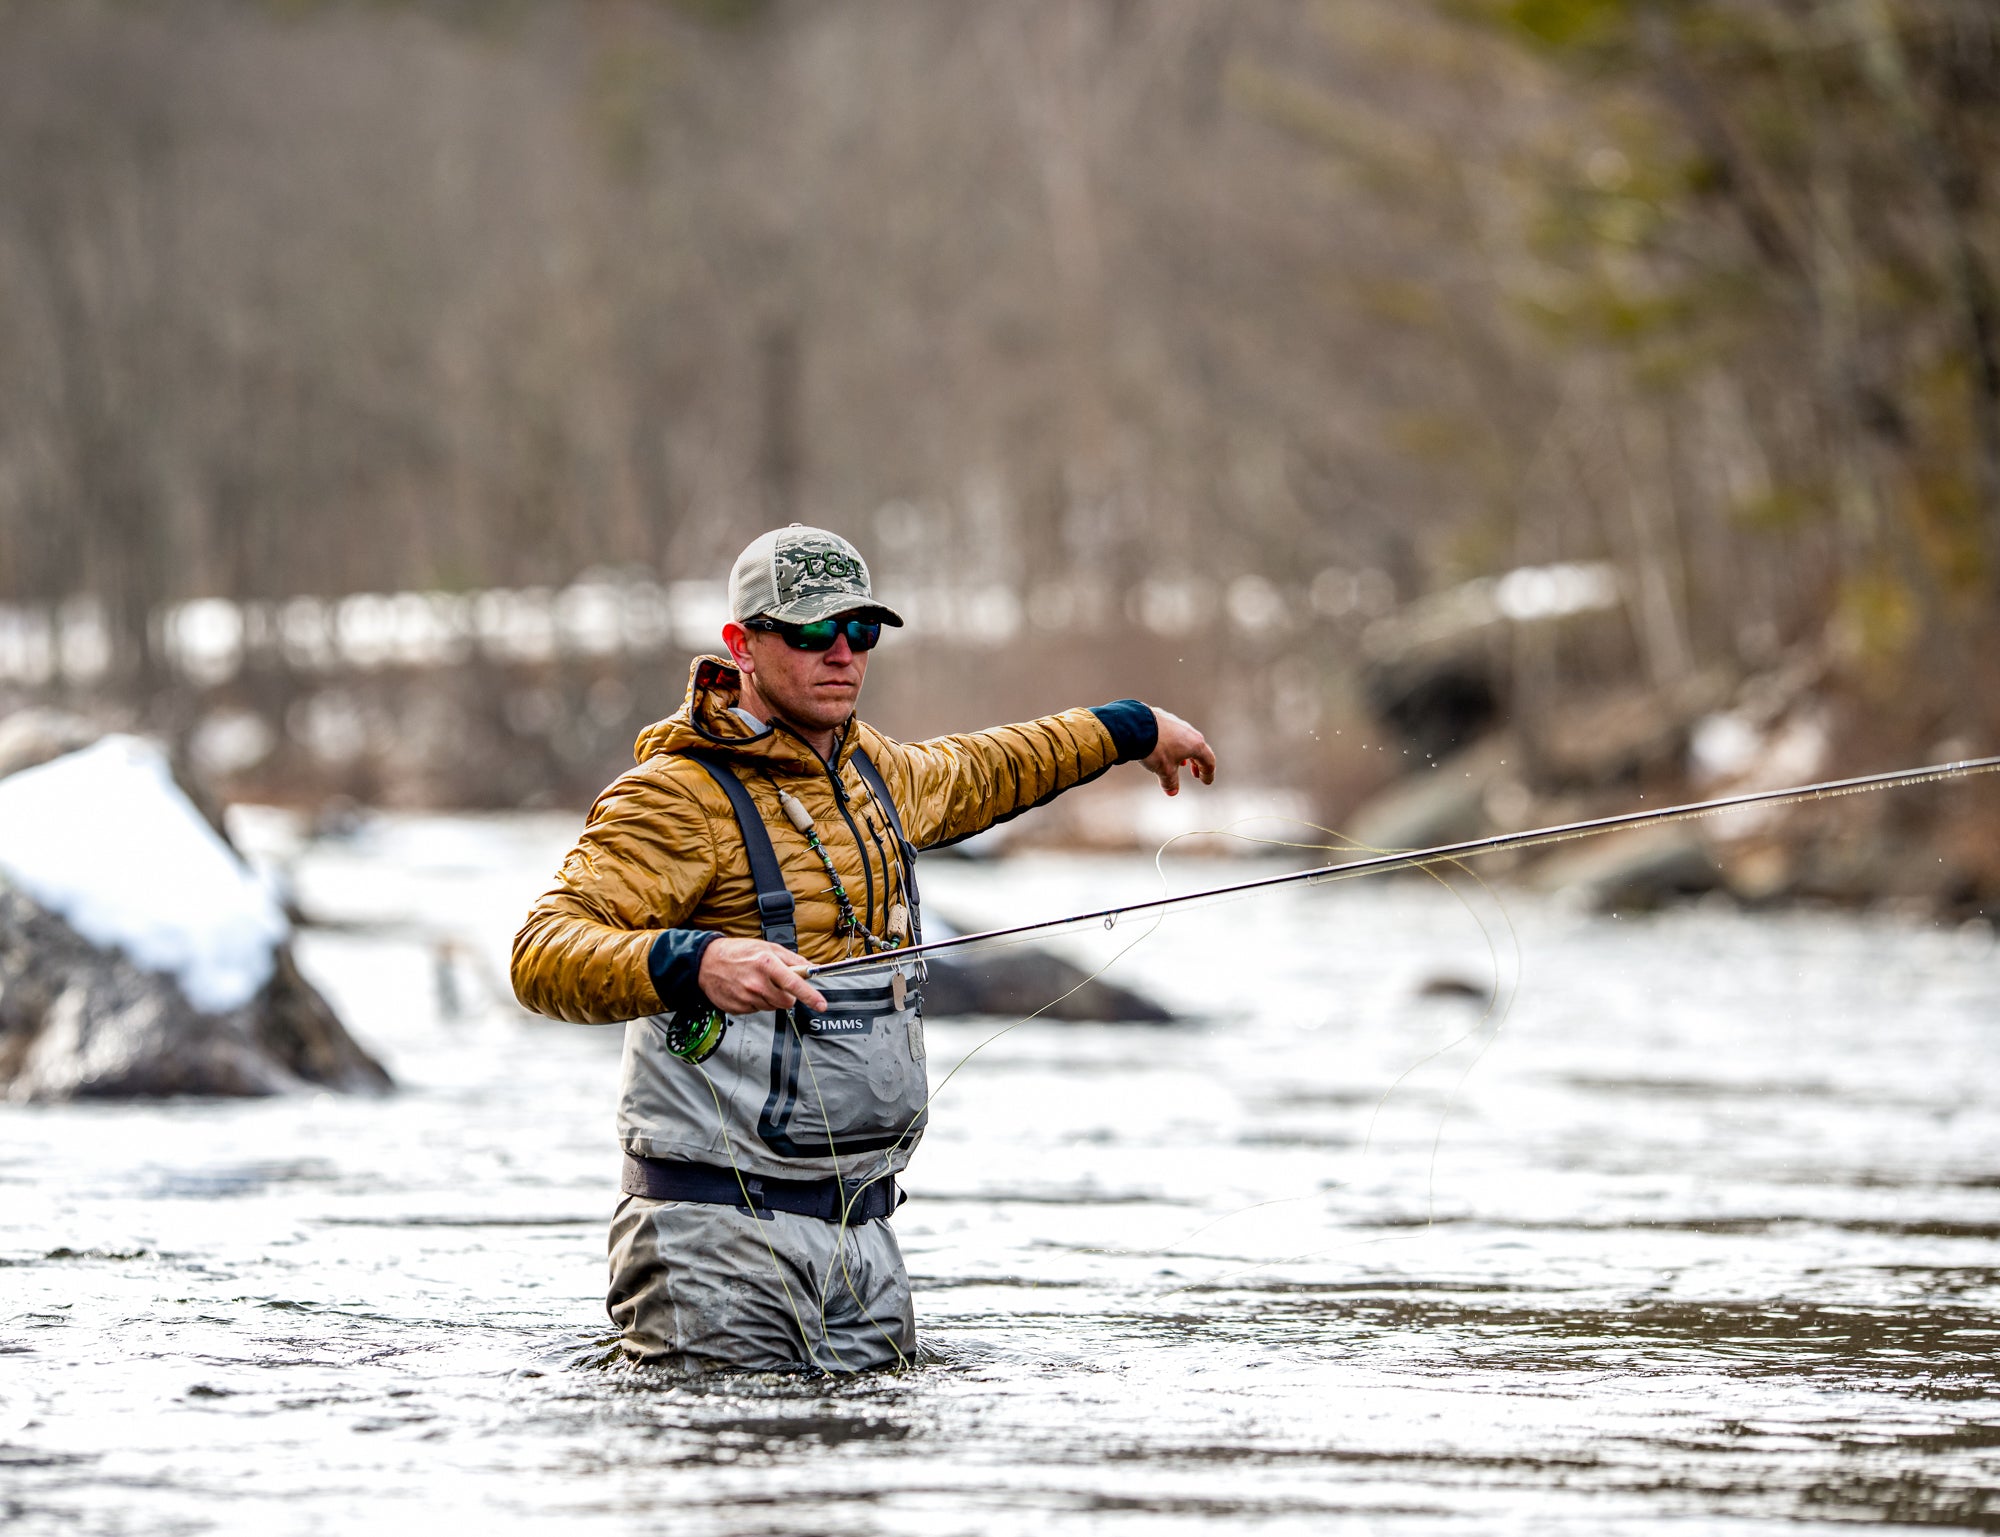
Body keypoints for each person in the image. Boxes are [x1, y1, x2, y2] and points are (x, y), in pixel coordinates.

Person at [511, 524, 1216, 1374]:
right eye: (811, 632)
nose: (841, 652)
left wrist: (1131, 727)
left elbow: (989, 767)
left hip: (862, 1237)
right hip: (711, 1237)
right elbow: (540, 953)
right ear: (741, 644)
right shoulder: (674, 797)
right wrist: (691, 961)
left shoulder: (874, 773)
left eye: (862, 631)